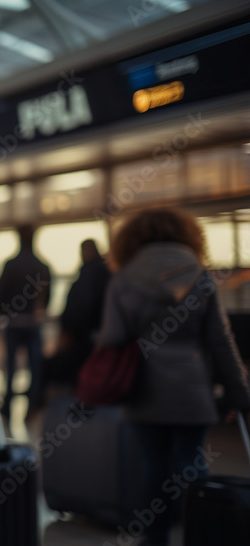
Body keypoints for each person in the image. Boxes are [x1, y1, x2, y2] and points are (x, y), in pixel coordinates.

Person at [96, 208, 250, 546]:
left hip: (142, 389)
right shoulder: (200, 275)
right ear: (188, 235)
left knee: (152, 465)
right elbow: (221, 341)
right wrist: (239, 393)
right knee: (192, 461)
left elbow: (112, 337)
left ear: (132, 239)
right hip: (192, 391)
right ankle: (206, 533)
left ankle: (155, 539)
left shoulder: (123, 280)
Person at [0, 224, 51, 420]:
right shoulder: (42, 266)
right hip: (33, 321)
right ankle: (32, 407)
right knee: (35, 368)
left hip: (14, 322)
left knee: (11, 368)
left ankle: (8, 406)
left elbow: (0, 296)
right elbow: (47, 297)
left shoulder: (11, 265)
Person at [46, 239, 111, 387]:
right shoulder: (105, 272)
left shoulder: (88, 273)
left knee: (81, 371)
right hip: (97, 332)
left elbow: (82, 304)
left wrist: (70, 329)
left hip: (83, 334)